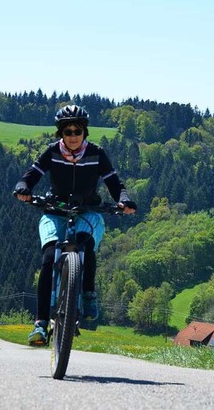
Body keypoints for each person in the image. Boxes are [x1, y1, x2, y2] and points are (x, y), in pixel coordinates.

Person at [13, 104, 136, 346]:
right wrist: (23, 188)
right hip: (54, 211)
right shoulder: (51, 152)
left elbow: (115, 183)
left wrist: (124, 200)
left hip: (87, 211)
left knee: (85, 245)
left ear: (84, 132)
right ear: (60, 133)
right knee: (49, 258)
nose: (72, 136)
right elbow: (31, 175)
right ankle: (39, 324)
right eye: (67, 131)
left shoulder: (97, 154)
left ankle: (88, 293)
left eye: (77, 131)